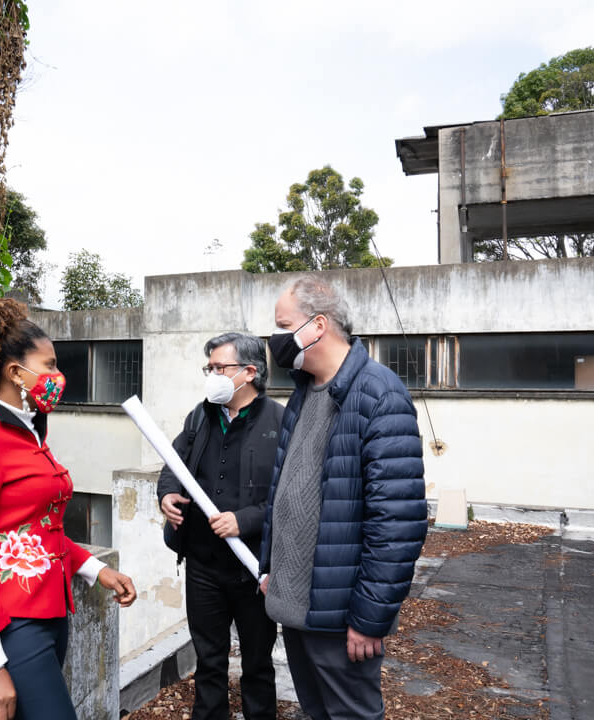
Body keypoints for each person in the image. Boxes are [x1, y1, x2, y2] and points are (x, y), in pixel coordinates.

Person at [0, 295, 137, 720]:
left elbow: (35, 529)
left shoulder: (30, 433)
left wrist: (93, 568)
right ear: (15, 372)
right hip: (7, 625)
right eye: (48, 365)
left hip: (46, 614)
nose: (58, 375)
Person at [258, 276, 427, 720]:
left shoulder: (380, 394)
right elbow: (289, 489)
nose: (275, 337)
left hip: (340, 617)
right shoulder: (304, 391)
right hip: (298, 605)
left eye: (282, 324)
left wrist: (369, 617)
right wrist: (270, 567)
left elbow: (397, 524)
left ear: (317, 326)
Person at [157, 333, 284, 720]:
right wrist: (166, 496)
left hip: (254, 571)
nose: (211, 375)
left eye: (219, 368)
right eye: (208, 368)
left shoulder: (281, 423)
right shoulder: (200, 416)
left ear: (250, 372)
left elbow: (294, 500)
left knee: (257, 665)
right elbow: (171, 466)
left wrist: (244, 520)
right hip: (202, 565)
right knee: (209, 660)